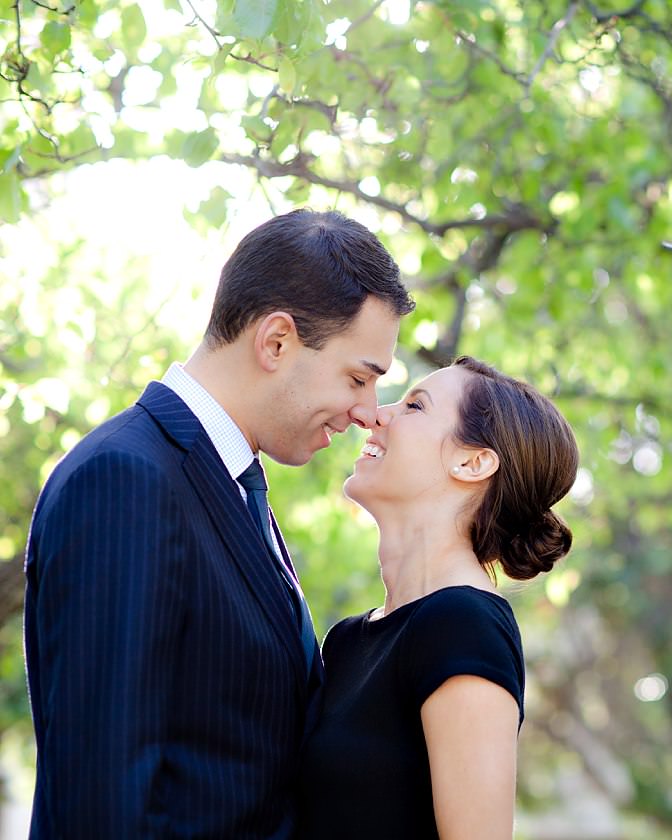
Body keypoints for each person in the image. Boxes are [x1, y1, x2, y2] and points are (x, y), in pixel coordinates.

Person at [23, 208, 415, 839]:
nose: (368, 412)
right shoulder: (127, 478)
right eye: (358, 377)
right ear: (277, 341)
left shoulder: (230, 486)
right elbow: (100, 800)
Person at [297, 356, 579, 839]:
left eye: (415, 406)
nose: (377, 414)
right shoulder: (346, 641)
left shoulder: (464, 624)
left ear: (472, 462)